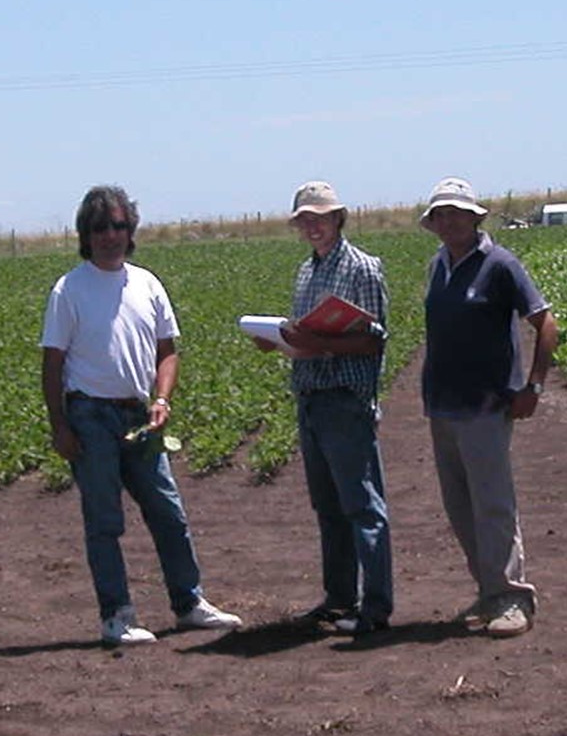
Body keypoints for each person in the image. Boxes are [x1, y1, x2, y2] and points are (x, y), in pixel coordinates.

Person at [40, 185, 241, 646]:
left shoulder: (147, 284)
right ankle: (116, 615)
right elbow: (52, 364)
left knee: (168, 512)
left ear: (131, 231)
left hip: (138, 415)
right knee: (105, 520)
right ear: (85, 234)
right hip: (89, 414)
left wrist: (162, 399)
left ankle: (189, 603)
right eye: (100, 227)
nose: (110, 235)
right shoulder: (68, 290)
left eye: (119, 225)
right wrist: (60, 426)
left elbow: (167, 352)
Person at [418, 177, 558, 638]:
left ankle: (514, 596)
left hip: (486, 404)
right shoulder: (438, 265)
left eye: (457, 212)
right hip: (443, 405)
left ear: (476, 217)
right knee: (460, 506)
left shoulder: (500, 265)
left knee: (493, 504)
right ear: (433, 223)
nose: (449, 220)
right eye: (441, 213)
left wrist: (532, 385)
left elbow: (545, 322)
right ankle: (489, 591)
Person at [253, 180, 393, 635]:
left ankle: (374, 607)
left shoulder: (362, 269)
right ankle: (338, 599)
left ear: (338, 218)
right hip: (311, 396)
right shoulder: (306, 272)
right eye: (304, 220)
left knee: (362, 505)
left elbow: (374, 343)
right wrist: (279, 343)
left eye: (320, 217)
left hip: (345, 399)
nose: (312, 226)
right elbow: (307, 340)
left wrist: (320, 342)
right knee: (328, 507)